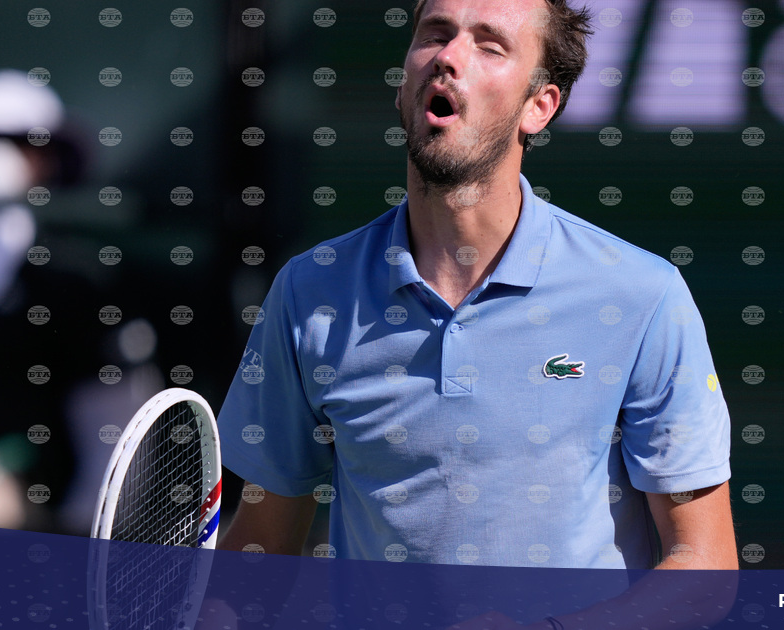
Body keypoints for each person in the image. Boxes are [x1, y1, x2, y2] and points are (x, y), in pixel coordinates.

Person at [216, 0, 736, 571]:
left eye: (489, 46)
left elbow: (705, 563)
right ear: (402, 86)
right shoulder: (308, 293)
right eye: (434, 35)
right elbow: (259, 552)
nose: (448, 57)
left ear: (539, 106)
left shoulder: (643, 296)